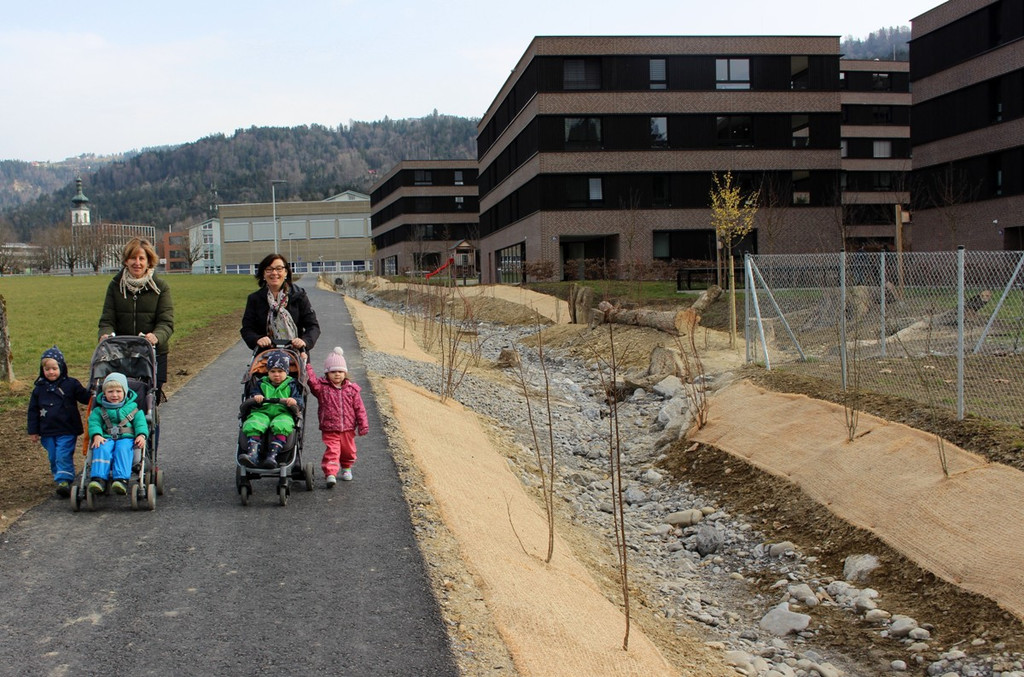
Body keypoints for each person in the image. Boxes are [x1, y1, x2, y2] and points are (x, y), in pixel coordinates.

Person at [98, 237, 174, 390]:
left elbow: (166, 322)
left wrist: (156, 336)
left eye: (141, 258)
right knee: (119, 395)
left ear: (149, 261)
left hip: (152, 354)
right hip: (121, 353)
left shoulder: (160, 287)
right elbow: (107, 320)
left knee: (150, 395)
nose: (137, 263)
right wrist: (105, 334)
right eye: (133, 258)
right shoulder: (115, 286)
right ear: (126, 261)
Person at [27, 346, 92, 497]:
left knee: (63, 453)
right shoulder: (39, 389)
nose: (51, 372)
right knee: (53, 456)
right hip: (47, 430)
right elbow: (33, 411)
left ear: (61, 367)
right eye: (47, 369)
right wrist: (33, 431)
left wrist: (93, 394)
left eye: (54, 368)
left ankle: (64, 480)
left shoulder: (71, 384)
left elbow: (84, 398)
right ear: (42, 370)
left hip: (67, 428)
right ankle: (60, 476)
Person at [304, 347, 368, 486]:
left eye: (340, 371)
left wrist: (363, 424)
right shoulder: (322, 388)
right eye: (333, 372)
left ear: (345, 373)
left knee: (349, 451)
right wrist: (307, 365)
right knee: (332, 451)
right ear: (327, 373)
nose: (337, 374)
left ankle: (346, 468)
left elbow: (360, 409)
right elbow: (312, 381)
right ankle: (331, 473)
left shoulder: (352, 390)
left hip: (348, 428)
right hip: (330, 427)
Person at [240, 253, 320, 353]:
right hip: (265, 355)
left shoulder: (299, 296)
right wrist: (257, 339)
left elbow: (313, 326)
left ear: (286, 272)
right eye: (269, 269)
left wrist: (305, 341)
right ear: (263, 274)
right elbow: (247, 328)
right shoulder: (255, 299)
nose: (274, 273)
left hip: (296, 354)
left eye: (279, 269)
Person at [239, 350, 304, 469]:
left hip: (283, 412)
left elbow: (299, 401)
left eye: (280, 371)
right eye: (272, 371)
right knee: (254, 422)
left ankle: (273, 456)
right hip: (262, 411)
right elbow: (252, 396)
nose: (276, 374)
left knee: (283, 424)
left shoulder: (292, 384)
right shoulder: (261, 383)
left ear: (286, 372)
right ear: (268, 372)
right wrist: (256, 397)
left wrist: (294, 401)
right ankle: (253, 454)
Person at [87, 372, 148, 496]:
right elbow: (94, 423)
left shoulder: (133, 409)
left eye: (118, 391)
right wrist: (97, 435)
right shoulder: (99, 410)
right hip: (105, 437)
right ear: (104, 393)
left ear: (125, 392)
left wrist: (141, 435)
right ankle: (99, 479)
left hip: (127, 438)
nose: (114, 395)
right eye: (110, 392)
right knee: (101, 448)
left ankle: (121, 479)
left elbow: (141, 424)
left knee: (123, 449)